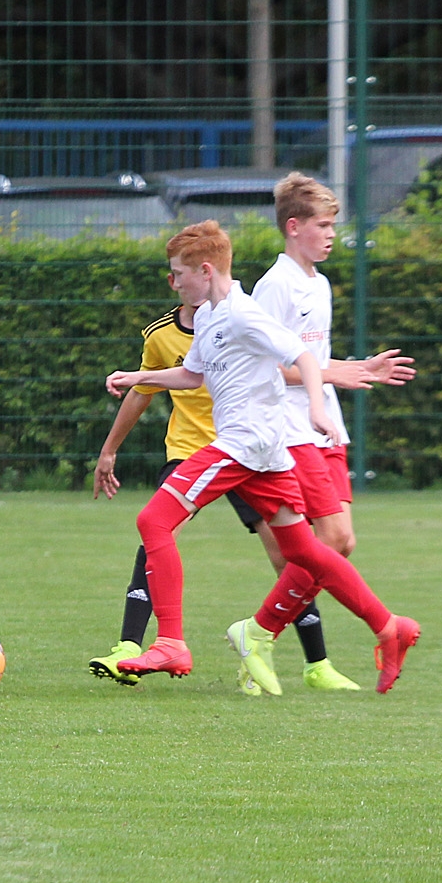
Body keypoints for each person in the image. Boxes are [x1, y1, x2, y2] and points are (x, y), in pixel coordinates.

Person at [106, 220, 420, 694]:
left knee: (153, 521)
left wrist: (317, 408)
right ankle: (389, 626)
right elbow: (192, 376)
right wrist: (137, 377)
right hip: (265, 454)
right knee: (303, 551)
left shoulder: (242, 313)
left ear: (205, 270)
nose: (174, 283)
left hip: (244, 444)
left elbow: (303, 357)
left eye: (179, 274)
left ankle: (170, 642)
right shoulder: (209, 316)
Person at [88, 265, 361, 692]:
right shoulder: (161, 335)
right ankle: (129, 646)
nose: (185, 282)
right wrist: (109, 449)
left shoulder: (238, 315)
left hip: (247, 453)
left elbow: (286, 360)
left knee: (288, 557)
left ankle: (312, 661)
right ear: (175, 282)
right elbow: (144, 392)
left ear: (208, 272)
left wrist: (327, 379)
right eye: (176, 274)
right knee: (157, 532)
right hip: (191, 451)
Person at [241, 172, 416, 692]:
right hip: (291, 428)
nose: (332, 234)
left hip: (325, 426)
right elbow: (267, 368)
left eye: (334, 225)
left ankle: (258, 633)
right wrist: (335, 375)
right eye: (323, 225)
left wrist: (358, 367)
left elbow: (313, 361)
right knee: (327, 542)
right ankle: (262, 635)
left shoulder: (319, 284)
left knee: (340, 544)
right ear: (294, 227)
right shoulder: (275, 286)